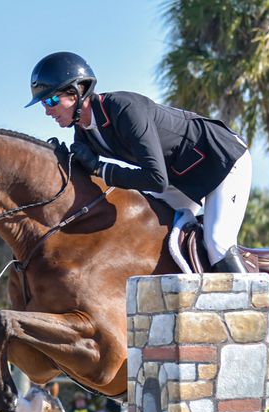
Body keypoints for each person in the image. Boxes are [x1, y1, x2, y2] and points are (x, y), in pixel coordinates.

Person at [26, 51, 253, 273]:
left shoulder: (124, 109)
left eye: (51, 101)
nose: (47, 111)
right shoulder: (84, 131)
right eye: (43, 104)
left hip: (222, 160)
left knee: (217, 244)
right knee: (147, 228)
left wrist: (101, 169)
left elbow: (156, 179)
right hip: (183, 178)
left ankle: (254, 308)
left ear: (76, 92)